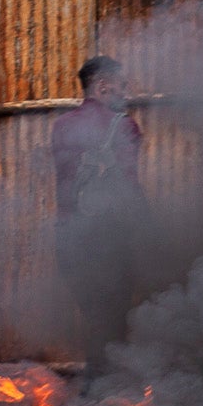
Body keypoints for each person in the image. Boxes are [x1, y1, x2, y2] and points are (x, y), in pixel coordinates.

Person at [49, 55, 148, 360]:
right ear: (103, 86)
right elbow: (128, 188)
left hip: (68, 240)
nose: (126, 93)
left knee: (96, 322)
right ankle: (99, 398)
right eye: (122, 85)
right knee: (112, 327)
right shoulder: (124, 126)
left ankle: (97, 396)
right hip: (108, 241)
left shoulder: (61, 126)